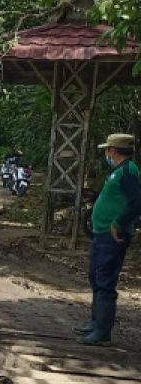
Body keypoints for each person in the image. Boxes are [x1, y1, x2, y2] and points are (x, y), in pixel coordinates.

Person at [76, 133, 141, 345]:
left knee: (105, 279)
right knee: (95, 276)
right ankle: (95, 323)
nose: (106, 153)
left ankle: (102, 331)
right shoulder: (117, 172)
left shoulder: (128, 171)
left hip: (113, 235)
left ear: (113, 151)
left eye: (107, 150)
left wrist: (118, 223)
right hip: (101, 233)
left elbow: (136, 202)